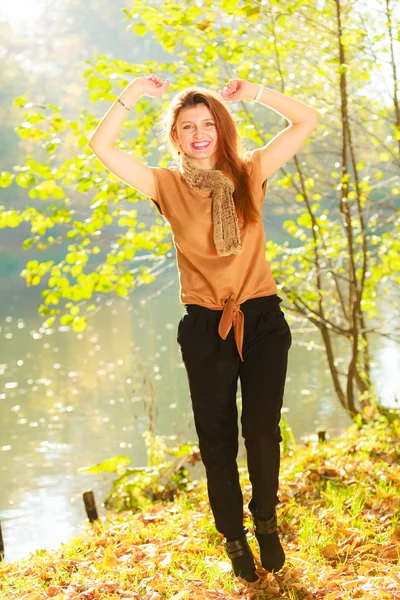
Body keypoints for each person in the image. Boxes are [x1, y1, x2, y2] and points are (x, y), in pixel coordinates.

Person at [88, 74, 318, 582]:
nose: (199, 133)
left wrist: (254, 92)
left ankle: (265, 522)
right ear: (175, 136)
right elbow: (101, 146)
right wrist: (132, 92)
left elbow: (307, 119)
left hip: (261, 319)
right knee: (216, 440)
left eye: (208, 123)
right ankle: (233, 537)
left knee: (260, 431)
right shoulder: (164, 185)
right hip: (205, 325)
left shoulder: (251, 171)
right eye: (188, 125)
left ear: (221, 128)